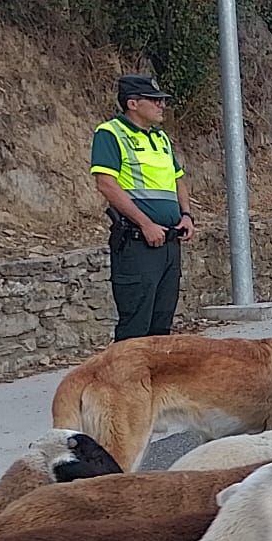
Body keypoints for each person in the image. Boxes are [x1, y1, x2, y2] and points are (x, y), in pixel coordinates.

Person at [90, 74, 194, 342]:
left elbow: (178, 179)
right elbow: (106, 184)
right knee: (135, 325)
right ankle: (122, 383)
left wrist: (186, 215)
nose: (162, 106)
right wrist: (145, 223)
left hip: (169, 243)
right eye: (155, 100)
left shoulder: (161, 138)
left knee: (161, 325)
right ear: (133, 103)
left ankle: (154, 384)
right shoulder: (111, 133)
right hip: (139, 244)